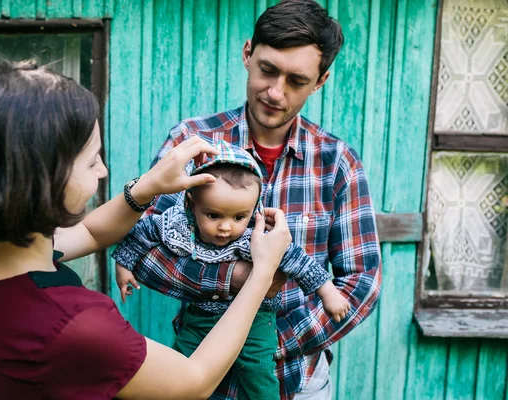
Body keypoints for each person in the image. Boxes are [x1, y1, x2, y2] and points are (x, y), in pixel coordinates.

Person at [0, 60, 295, 400]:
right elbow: (194, 382)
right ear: (44, 178)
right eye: (92, 160)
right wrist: (262, 271)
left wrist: (147, 188)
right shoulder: (77, 326)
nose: (103, 171)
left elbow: (92, 234)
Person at [116, 1, 383, 399]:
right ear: (247, 54)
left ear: (321, 80)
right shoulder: (190, 144)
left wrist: (266, 343)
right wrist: (232, 279)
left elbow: (361, 282)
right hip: (196, 372)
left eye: (296, 80)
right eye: (267, 70)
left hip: (297, 380)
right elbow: (145, 252)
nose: (276, 92)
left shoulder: (337, 163)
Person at [112, 140, 350, 399]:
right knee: (179, 368)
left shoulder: (256, 235)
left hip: (254, 321)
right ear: (191, 204)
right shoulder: (177, 225)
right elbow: (143, 232)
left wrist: (327, 291)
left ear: (254, 209)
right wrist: (124, 264)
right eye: (213, 215)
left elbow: (297, 260)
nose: (226, 227)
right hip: (200, 317)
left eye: (238, 217)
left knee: (259, 371)